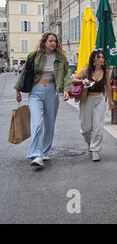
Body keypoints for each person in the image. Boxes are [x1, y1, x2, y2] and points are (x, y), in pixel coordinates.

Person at [15, 32, 72, 168]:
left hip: (52, 92)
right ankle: (36, 154)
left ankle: (45, 151)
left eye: (55, 41)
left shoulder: (61, 58)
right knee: (38, 123)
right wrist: (17, 89)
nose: (53, 43)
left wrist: (66, 90)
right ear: (44, 42)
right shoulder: (35, 56)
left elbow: (67, 74)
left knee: (49, 124)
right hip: (36, 92)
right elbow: (24, 72)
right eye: (50, 40)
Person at [72, 50, 115, 162]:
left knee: (98, 127)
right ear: (93, 59)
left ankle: (95, 150)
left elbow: (108, 86)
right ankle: (90, 142)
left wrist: (110, 101)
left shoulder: (105, 70)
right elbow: (74, 79)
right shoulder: (86, 70)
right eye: (99, 57)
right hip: (86, 99)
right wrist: (82, 82)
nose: (101, 59)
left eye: (102, 57)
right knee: (85, 127)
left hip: (99, 99)